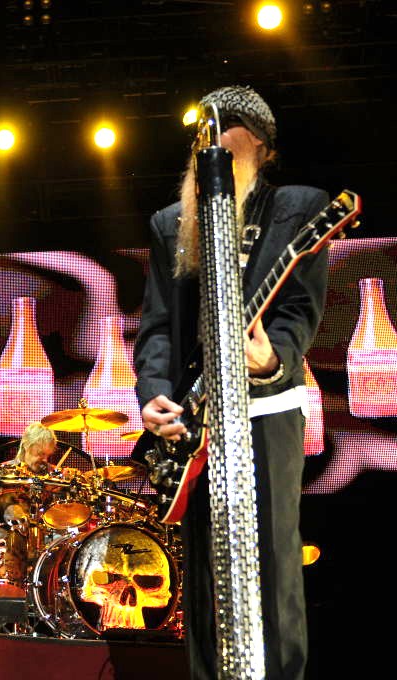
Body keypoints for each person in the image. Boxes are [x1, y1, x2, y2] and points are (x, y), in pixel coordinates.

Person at [133, 85, 329, 679]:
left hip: (267, 407)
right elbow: (158, 325)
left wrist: (272, 357)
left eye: (229, 129)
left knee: (272, 559)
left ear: (263, 146)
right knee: (204, 573)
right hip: (194, 420)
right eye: (204, 132)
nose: (212, 142)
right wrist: (153, 394)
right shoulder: (170, 222)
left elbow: (300, 310)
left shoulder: (298, 208)